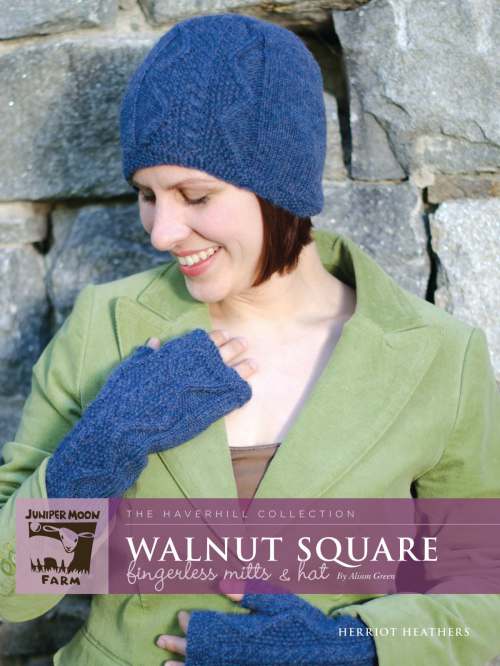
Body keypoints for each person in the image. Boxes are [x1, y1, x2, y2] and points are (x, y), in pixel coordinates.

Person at [0, 12, 499, 666]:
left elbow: (482, 592)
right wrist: (105, 444)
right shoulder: (106, 324)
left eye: (194, 195)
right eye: (147, 195)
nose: (161, 232)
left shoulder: (439, 356)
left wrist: (354, 647)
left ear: (280, 187)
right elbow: (17, 596)